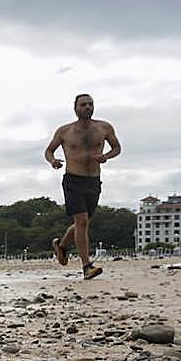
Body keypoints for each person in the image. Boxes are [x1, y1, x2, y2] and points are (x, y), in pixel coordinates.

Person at [45, 93, 122, 280]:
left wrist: (106, 157)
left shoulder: (104, 127)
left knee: (83, 222)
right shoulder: (64, 131)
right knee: (82, 222)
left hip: (94, 180)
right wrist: (53, 161)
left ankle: (62, 246)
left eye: (90, 104)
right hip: (73, 180)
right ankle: (87, 266)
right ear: (75, 108)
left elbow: (117, 148)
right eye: (83, 104)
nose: (87, 107)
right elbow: (49, 151)